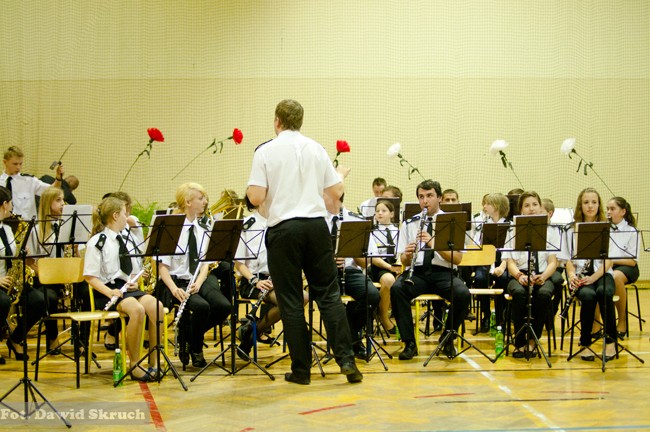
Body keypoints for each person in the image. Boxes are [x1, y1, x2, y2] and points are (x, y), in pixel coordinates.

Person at [246, 99, 362, 385]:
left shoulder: (265, 151)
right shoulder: (316, 148)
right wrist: (339, 175)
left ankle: (301, 370)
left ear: (277, 121)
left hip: (284, 230)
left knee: (291, 301)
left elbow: (255, 197)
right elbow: (335, 191)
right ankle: (347, 360)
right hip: (316, 228)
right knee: (329, 295)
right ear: (300, 121)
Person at [83, 196, 163, 382]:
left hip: (127, 288)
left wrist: (134, 280)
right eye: (125, 214)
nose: (128, 217)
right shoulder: (98, 241)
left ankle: (154, 362)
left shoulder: (127, 238)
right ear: (115, 215)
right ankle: (134, 364)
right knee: (137, 310)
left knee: (157, 307)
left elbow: (133, 267)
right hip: (107, 290)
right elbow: (90, 277)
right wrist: (109, 291)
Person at [391, 179, 470, 360]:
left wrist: (434, 244)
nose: (425, 201)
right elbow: (403, 260)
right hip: (417, 273)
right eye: (421, 197)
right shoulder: (409, 223)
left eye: (429, 196)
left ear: (439, 198)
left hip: (443, 272)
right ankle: (409, 343)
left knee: (463, 294)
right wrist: (408, 254)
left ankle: (447, 338)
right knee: (397, 289)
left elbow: (458, 259)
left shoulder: (452, 222)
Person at [154, 183, 231, 368]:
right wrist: (174, 289)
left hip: (197, 279)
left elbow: (205, 263)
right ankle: (196, 347)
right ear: (188, 202)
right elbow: (162, 267)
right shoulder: (171, 229)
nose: (205, 201)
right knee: (202, 307)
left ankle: (188, 335)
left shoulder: (203, 229)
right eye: (200, 198)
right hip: (176, 282)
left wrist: (199, 282)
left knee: (224, 306)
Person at [234, 197, 309, 358]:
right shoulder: (247, 226)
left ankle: (252, 330)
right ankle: (251, 337)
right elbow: (239, 264)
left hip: (278, 278)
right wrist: (255, 281)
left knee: (303, 297)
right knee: (286, 302)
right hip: (253, 281)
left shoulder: (282, 223)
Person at [560, 187, 616, 361]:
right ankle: (585, 344)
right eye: (586, 202)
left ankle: (611, 342)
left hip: (602, 273)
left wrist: (593, 277)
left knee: (604, 292)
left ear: (599, 205)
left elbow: (609, 261)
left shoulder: (608, 228)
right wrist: (572, 276)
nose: (590, 206)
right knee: (588, 296)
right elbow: (567, 259)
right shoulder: (569, 230)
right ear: (580, 205)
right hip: (580, 275)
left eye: (594, 202)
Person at [503, 191, 559, 358]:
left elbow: (553, 262)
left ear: (540, 207)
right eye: (527, 205)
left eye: (535, 204)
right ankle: (520, 342)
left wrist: (543, 277)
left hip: (542, 275)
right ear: (521, 210)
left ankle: (533, 340)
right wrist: (520, 276)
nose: (531, 208)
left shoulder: (551, 231)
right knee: (519, 293)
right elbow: (510, 262)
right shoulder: (512, 231)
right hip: (520, 275)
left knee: (544, 294)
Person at [327, 203, 380, 358]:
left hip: (350, 270)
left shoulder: (357, 220)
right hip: (324, 273)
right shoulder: (315, 219)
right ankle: (353, 342)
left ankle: (349, 337)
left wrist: (355, 252)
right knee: (330, 301)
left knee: (372, 295)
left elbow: (367, 262)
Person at [472, 192, 510, 332]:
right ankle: (486, 315)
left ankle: (501, 316)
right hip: (485, 261)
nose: (484, 206)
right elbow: (476, 245)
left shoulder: (509, 226)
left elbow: (510, 250)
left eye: (488, 204)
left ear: (497, 206)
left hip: (503, 262)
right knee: (480, 278)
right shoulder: (483, 225)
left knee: (504, 278)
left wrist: (502, 267)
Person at [607, 196, 641, 339]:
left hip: (627, 267)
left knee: (615, 277)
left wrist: (612, 261)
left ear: (623, 212)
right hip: (607, 265)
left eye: (612, 209)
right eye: (607, 209)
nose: (608, 212)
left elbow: (632, 261)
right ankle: (597, 324)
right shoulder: (604, 229)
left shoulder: (632, 231)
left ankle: (622, 321)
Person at [1, 146, 65, 219]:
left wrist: (58, 178)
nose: (18, 167)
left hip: (27, 224)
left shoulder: (29, 181)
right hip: (4, 224)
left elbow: (53, 190)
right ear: (5, 162)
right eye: (15, 164)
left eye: (20, 164)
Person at [369, 199, 402, 334]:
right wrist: (390, 268)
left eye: (384, 211)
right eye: (377, 211)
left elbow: (402, 252)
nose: (380, 213)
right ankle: (383, 317)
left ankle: (402, 318)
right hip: (380, 267)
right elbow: (373, 258)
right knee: (389, 280)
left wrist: (399, 265)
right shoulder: (372, 232)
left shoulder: (399, 231)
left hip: (396, 265)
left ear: (392, 214)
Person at [0, 186, 15, 364]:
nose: (12, 207)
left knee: (40, 299)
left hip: (9, 280)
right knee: (3, 301)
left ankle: (16, 339)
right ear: (5, 204)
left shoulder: (7, 229)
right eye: (11, 203)